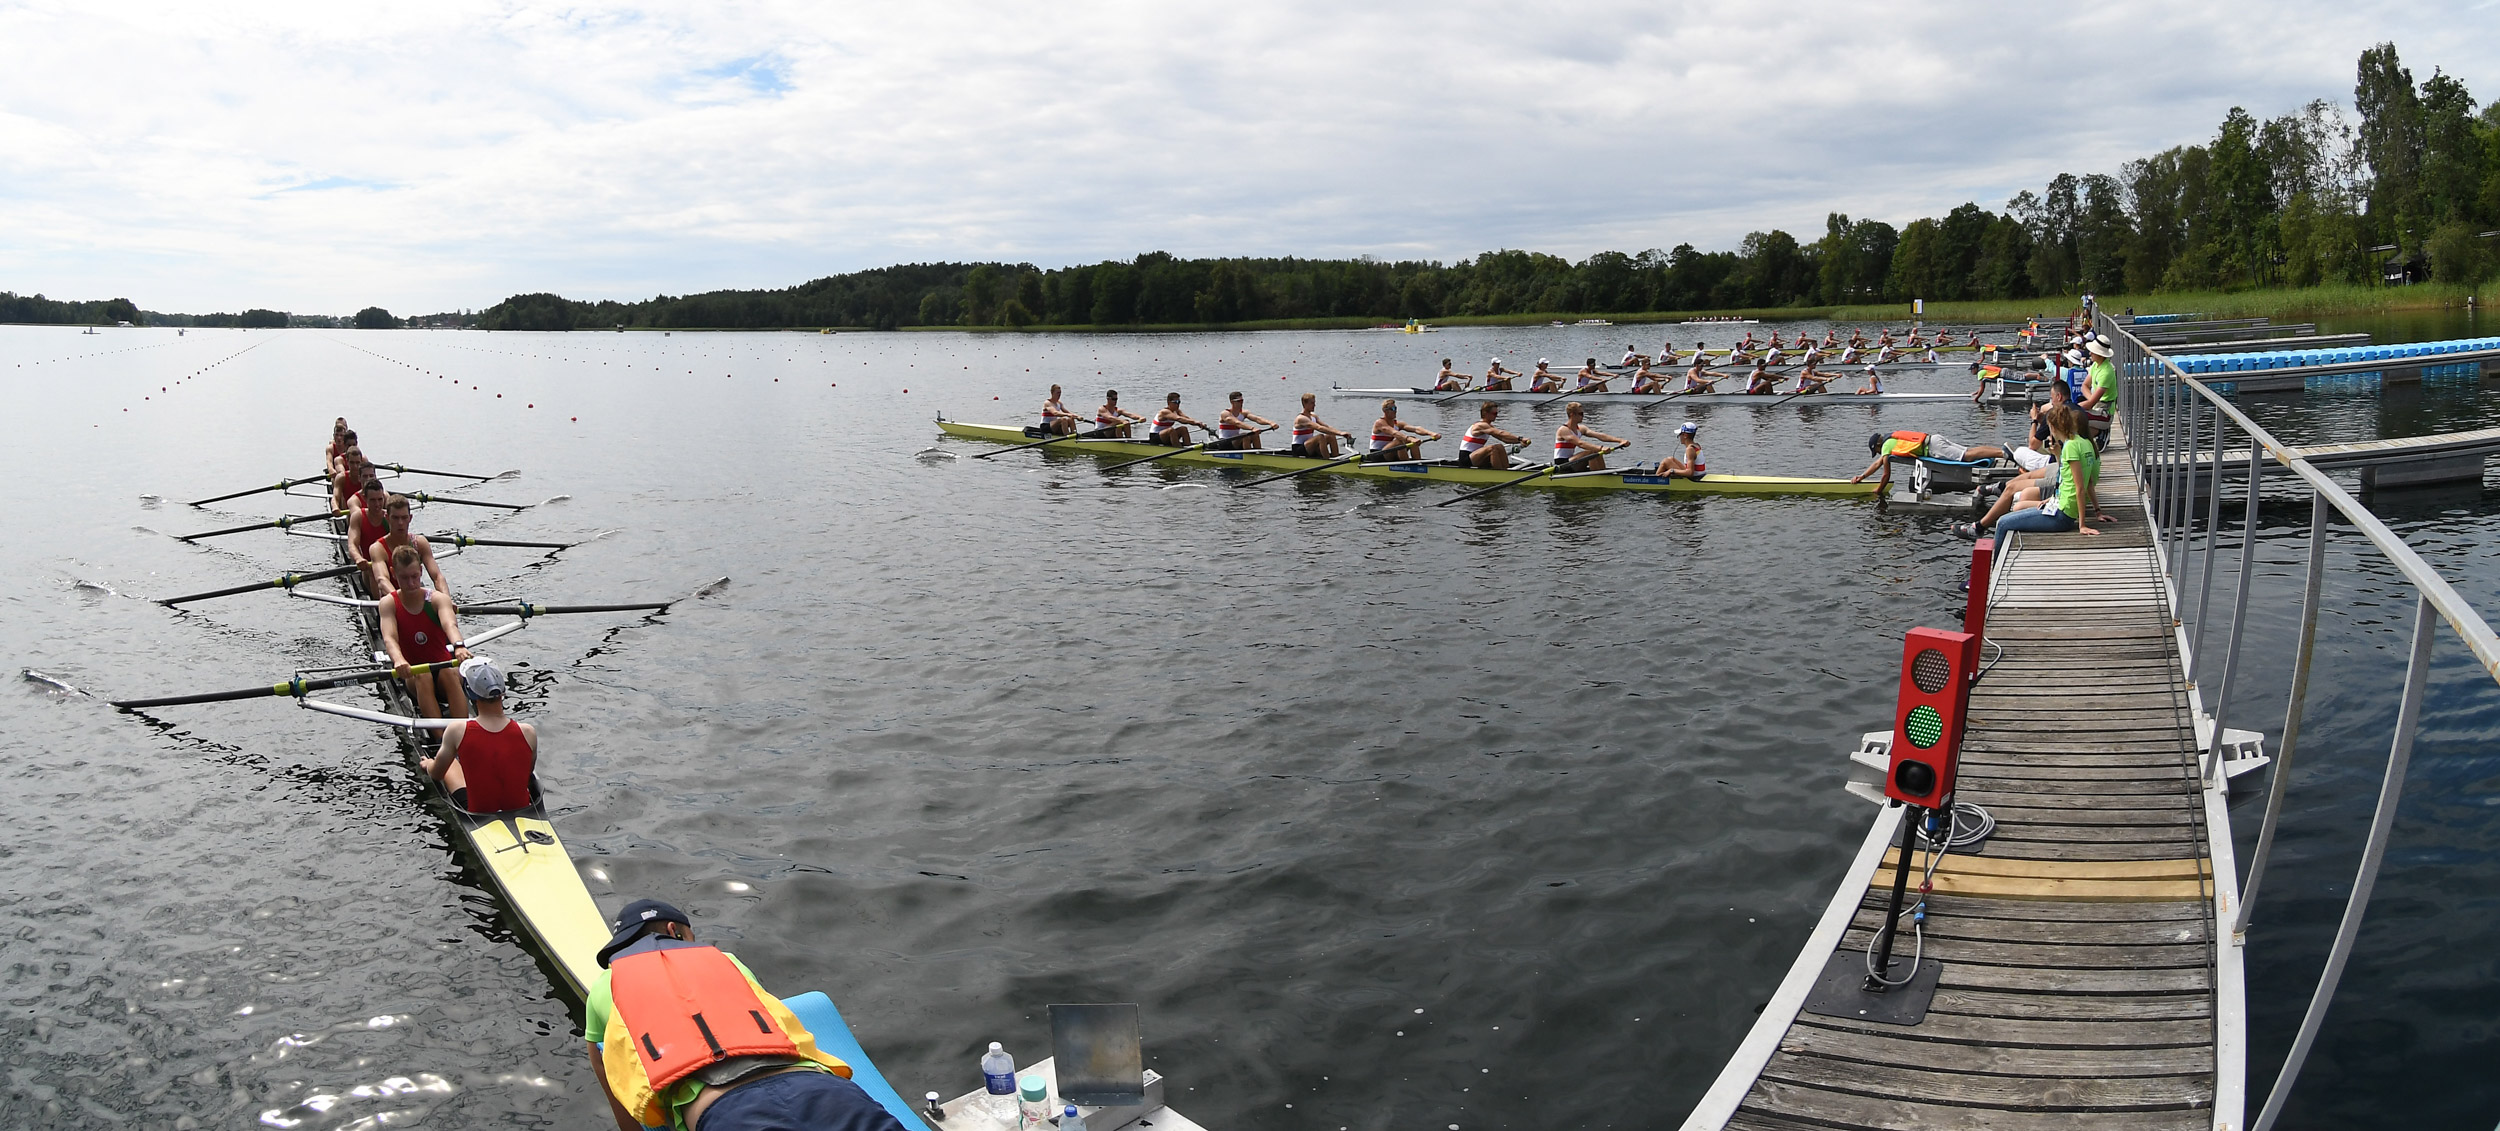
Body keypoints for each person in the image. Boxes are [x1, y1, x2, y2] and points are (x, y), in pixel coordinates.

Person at [584, 899, 904, 1131]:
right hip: (821, 1088)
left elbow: (601, 1063)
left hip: (727, 1112)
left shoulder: (604, 986)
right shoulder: (725, 959)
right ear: (675, 931)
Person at [1979, 406, 2107, 548]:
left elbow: (2080, 488)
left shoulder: (2070, 447)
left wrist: (2082, 525)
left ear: (2052, 427)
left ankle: (1994, 566)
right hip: (2061, 506)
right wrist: (2052, 499)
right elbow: (2082, 482)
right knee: (2018, 509)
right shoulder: (2085, 443)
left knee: (2002, 523)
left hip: (2062, 515)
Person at [421, 658, 535, 813]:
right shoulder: (528, 732)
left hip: (479, 811)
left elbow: (437, 774)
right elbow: (527, 773)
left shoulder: (457, 730)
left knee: (451, 763)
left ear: (469, 692)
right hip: (521, 808)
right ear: (502, 692)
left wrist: (429, 765)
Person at [377, 545, 471, 719]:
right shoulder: (388, 604)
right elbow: (390, 639)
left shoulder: (437, 599)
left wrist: (458, 646)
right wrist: (398, 660)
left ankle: (462, 733)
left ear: (421, 571)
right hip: (413, 673)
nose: (411, 583)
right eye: (404, 578)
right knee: (423, 674)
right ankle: (440, 739)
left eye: (415, 576)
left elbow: (450, 625)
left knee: (449, 672)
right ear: (393, 573)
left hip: (445, 672)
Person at [366, 492, 448, 596]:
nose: (400, 523)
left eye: (404, 518)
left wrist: (446, 599)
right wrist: (400, 602)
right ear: (387, 518)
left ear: (410, 518)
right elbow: (382, 580)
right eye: (395, 518)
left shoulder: (420, 543)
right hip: (391, 601)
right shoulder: (377, 548)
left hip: (414, 596)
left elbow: (437, 577)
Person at [1850, 430, 2009, 484]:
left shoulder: (1886, 446)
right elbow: (1878, 464)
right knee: (1969, 451)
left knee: (1966, 457)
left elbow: (1885, 474)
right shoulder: (1890, 439)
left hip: (1933, 448)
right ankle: (2000, 451)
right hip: (1934, 438)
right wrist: (1862, 476)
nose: (1878, 454)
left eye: (1876, 451)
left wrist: (1878, 491)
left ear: (1878, 446)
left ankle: (2002, 453)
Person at [345, 476, 395, 590]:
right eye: (373, 500)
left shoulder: (390, 518)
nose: (377, 504)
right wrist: (358, 558)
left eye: (380, 499)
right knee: (374, 571)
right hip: (369, 567)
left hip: (391, 566)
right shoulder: (358, 517)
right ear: (365, 499)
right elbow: (352, 544)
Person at [1551, 403, 1627, 472]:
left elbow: (1600, 436)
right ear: (1572, 415)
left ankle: (1603, 474)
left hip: (1572, 460)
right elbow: (1580, 444)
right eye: (1580, 414)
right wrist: (1600, 448)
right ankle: (1598, 478)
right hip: (1562, 464)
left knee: (1596, 452)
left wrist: (1620, 440)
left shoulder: (1581, 429)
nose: (1583, 416)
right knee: (1592, 451)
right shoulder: (1563, 430)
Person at [1456, 403, 1528, 468]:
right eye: (1494, 413)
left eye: (1497, 413)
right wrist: (1520, 438)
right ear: (1485, 413)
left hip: (1475, 457)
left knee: (1500, 447)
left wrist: (1520, 442)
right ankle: (1500, 474)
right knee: (1492, 448)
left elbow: (1504, 439)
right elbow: (1501, 433)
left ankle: (1506, 471)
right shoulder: (1480, 425)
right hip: (1466, 459)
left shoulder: (1489, 427)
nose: (1496, 416)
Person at [1368, 400, 1440, 462]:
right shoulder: (1379, 423)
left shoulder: (1398, 424)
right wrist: (1410, 439)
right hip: (1377, 455)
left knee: (1412, 439)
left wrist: (1431, 433)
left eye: (1395, 408)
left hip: (1389, 453)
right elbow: (1394, 433)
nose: (1395, 411)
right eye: (1392, 408)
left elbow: (1416, 429)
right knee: (1399, 441)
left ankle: (1418, 463)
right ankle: (1407, 466)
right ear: (1385, 411)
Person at [1289, 393, 1354, 457]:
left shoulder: (1314, 416)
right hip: (1298, 449)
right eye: (1312, 403)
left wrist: (1343, 433)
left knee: (1331, 435)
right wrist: (1340, 433)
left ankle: (1336, 457)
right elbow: (1319, 428)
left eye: (1314, 402)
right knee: (1320, 437)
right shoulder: (1301, 418)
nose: (1314, 405)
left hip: (1309, 447)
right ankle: (1327, 461)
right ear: (1304, 404)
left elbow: (1327, 427)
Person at [2079, 339, 2117, 447]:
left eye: (2093, 351)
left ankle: (2101, 432)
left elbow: (2089, 403)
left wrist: (2072, 407)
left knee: (2075, 416)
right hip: (2097, 407)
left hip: (2105, 413)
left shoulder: (2106, 372)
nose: (2090, 353)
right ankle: (2097, 431)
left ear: (2100, 354)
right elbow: (2084, 386)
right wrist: (2092, 400)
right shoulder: (2096, 365)